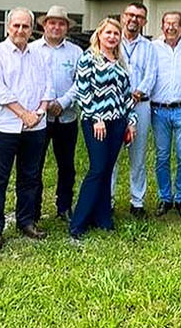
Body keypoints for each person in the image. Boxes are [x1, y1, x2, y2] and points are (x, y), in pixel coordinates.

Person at [0, 7, 54, 252]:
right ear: (7, 27)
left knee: (30, 177)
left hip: (35, 127)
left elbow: (48, 87)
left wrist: (39, 113)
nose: (21, 30)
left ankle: (26, 221)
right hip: (3, 126)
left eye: (25, 26)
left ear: (32, 29)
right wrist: (24, 114)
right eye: (16, 26)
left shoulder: (38, 55)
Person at [69, 18, 138, 239]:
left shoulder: (120, 61)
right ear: (99, 34)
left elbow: (126, 95)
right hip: (96, 122)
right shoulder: (88, 58)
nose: (112, 37)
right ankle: (78, 222)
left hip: (118, 122)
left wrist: (131, 120)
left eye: (116, 34)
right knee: (97, 169)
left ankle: (102, 218)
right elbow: (83, 91)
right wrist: (97, 117)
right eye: (108, 33)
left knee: (107, 170)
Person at [30, 6, 82, 222]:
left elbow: (81, 82)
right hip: (37, 118)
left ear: (67, 28)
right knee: (34, 165)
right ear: (44, 25)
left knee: (67, 165)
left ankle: (64, 207)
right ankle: (32, 209)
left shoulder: (76, 52)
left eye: (61, 23)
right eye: (52, 22)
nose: (56, 27)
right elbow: (28, 81)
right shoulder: (32, 50)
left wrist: (62, 102)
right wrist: (45, 104)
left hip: (66, 116)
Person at [151, 11, 181, 218]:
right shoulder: (153, 48)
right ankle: (165, 197)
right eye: (167, 23)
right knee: (162, 156)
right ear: (162, 26)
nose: (171, 27)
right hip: (159, 110)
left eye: (175, 24)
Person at [113, 2, 157, 218]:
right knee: (111, 156)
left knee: (137, 156)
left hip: (140, 106)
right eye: (130, 15)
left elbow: (151, 75)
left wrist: (136, 94)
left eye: (139, 17)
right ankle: (108, 201)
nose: (134, 20)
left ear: (144, 22)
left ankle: (137, 202)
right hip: (112, 109)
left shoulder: (149, 47)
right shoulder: (111, 40)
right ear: (123, 17)